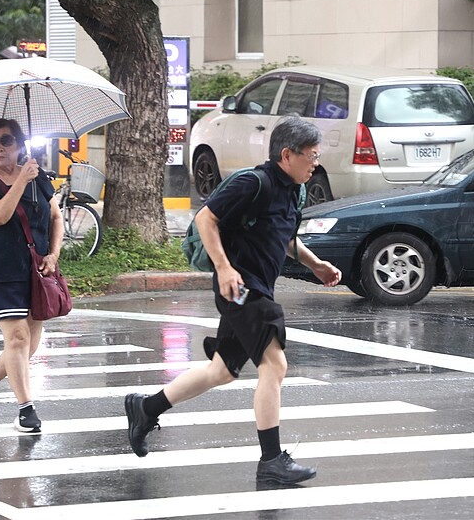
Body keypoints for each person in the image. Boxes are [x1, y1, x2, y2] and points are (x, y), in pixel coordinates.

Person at [125, 115, 342, 484]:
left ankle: (146, 408)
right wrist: (224, 268)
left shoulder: (295, 189)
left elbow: (283, 237)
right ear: (287, 155)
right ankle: (271, 459)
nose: (316, 163)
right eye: (312, 155)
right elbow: (206, 219)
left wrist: (316, 263)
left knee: (222, 371)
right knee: (275, 366)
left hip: (254, 288)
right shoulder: (252, 183)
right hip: (241, 289)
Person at [0, 118, 64, 433]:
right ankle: (26, 409)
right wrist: (21, 180)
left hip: (34, 271)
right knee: (18, 339)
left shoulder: (38, 179)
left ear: (19, 144)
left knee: (29, 345)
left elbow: (55, 218)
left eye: (6, 140)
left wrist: (53, 255)